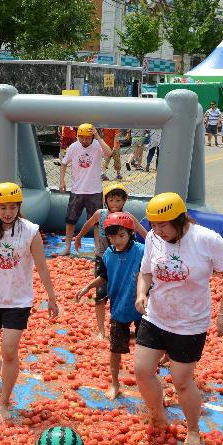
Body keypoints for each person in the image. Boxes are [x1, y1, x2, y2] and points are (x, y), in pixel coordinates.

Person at [134, 192, 223, 445]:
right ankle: (158, 414)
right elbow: (145, 273)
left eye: (164, 224)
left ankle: (192, 428)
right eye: (154, 225)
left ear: (180, 219)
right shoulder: (152, 239)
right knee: (142, 371)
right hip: (157, 316)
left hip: (189, 324)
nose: (158, 230)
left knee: (181, 381)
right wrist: (141, 293)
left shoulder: (206, 239)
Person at [0, 182, 59, 420]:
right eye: (3, 207)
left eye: (12, 207)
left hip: (18, 300)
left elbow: (42, 267)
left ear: (19, 206)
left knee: (10, 351)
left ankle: (4, 403)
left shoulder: (30, 231)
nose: (8, 212)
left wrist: (52, 297)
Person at [76, 212, 145, 399]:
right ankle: (115, 384)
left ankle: (149, 384)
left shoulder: (142, 251)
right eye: (113, 236)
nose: (117, 240)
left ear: (131, 233)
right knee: (115, 349)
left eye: (121, 235)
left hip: (144, 310)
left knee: (147, 352)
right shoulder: (108, 254)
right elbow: (104, 277)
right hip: (119, 309)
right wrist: (87, 287)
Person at [73, 183, 148, 339]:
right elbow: (88, 224)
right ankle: (102, 330)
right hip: (105, 259)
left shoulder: (128, 217)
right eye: (111, 200)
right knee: (100, 294)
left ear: (124, 201)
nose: (115, 204)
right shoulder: (100, 214)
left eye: (118, 200)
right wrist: (79, 236)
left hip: (127, 261)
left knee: (130, 291)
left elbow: (143, 232)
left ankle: (134, 325)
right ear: (105, 201)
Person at [58, 123, 113, 256]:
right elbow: (64, 163)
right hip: (77, 190)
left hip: (94, 190)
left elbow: (109, 152)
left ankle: (97, 247)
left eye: (87, 138)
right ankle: (67, 247)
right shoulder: (74, 147)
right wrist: (62, 181)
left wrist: (98, 137)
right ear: (78, 136)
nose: (84, 141)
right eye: (81, 137)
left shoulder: (97, 145)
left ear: (92, 137)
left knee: (96, 222)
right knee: (70, 220)